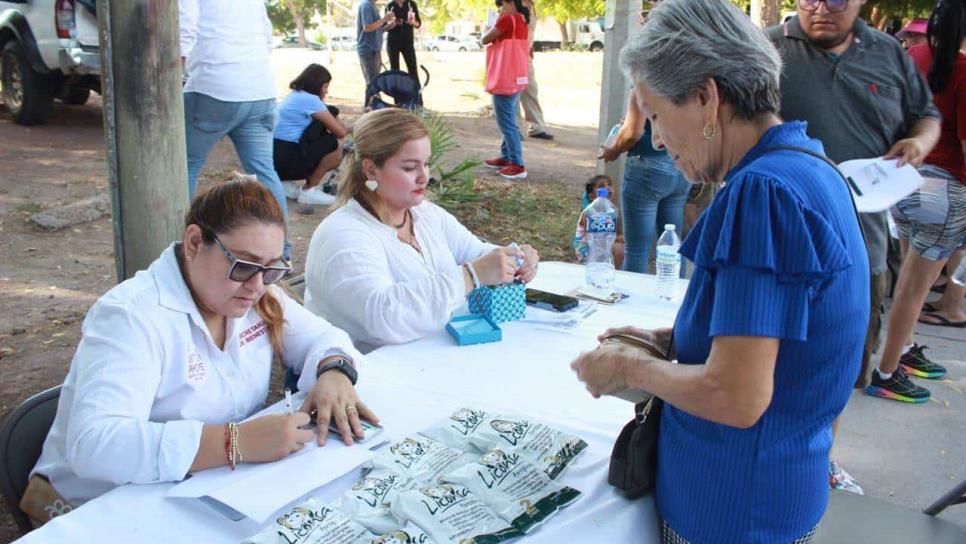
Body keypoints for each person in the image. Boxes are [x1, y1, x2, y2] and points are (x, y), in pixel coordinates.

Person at [571, 0, 868, 541]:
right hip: (772, 492)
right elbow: (786, 336)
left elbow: (735, 396)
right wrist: (673, 339)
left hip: (731, 508)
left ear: (707, 99)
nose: (656, 139)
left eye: (656, 114)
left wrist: (627, 369)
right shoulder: (808, 165)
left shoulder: (763, 193)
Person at [27, 176, 377, 513]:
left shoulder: (255, 293)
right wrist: (233, 443)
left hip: (200, 488)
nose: (257, 285)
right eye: (243, 265)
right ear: (194, 242)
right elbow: (96, 446)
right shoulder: (130, 317)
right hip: (102, 505)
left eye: (271, 269)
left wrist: (334, 371)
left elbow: (323, 337)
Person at [767, 0, 940, 492]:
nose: (821, 8)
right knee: (766, 351)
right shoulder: (766, 51)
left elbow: (926, 117)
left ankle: (819, 460)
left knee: (839, 359)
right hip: (780, 235)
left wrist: (919, 144)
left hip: (859, 240)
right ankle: (767, 458)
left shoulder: (888, 53)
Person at [303, 109, 540, 352]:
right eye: (409, 167)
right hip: (369, 376)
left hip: (434, 359)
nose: (424, 176)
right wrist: (470, 276)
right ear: (371, 169)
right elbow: (383, 317)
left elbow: (476, 253)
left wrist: (514, 258)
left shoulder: (424, 214)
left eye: (426, 164)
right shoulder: (344, 234)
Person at [869, 0, 966, 402]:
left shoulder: (910, 56)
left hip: (903, 183)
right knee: (915, 290)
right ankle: (887, 371)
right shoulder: (962, 69)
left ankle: (903, 351)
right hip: (944, 191)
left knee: (909, 283)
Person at [179, 0, 290, 259]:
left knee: (184, 165)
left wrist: (172, 70)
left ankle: (178, 244)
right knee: (264, 172)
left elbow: (184, 26)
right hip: (260, 88)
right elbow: (267, 35)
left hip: (213, 85)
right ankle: (281, 254)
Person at [600, 93, 690, 274]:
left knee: (636, 250)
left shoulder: (646, 82)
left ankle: (633, 300)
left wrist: (613, 150)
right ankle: (675, 297)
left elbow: (632, 134)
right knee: (673, 243)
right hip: (680, 166)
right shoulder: (690, 79)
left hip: (648, 166)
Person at [273, 64, 349, 207]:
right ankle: (309, 191)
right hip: (287, 158)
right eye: (326, 87)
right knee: (336, 145)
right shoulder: (311, 100)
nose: (327, 92)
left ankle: (284, 182)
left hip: (275, 157)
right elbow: (341, 132)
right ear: (319, 85)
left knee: (324, 126)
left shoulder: (295, 95)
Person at [482, 0, 531, 180]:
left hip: (503, 78)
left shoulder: (505, 21)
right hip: (516, 77)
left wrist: (493, 24)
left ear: (510, 3)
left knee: (507, 124)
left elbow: (485, 39)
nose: (500, 9)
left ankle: (517, 164)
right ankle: (506, 157)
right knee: (509, 118)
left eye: (501, 4)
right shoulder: (521, 21)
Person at [518, 0, 554, 141]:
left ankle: (536, 127)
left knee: (530, 90)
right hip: (515, 54)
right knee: (514, 91)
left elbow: (529, 32)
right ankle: (514, 129)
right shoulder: (515, 4)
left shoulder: (531, 6)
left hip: (525, 54)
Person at [574, 175, 625, 269]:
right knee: (619, 249)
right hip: (587, 248)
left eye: (609, 184)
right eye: (601, 186)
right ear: (592, 196)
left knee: (624, 244)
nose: (607, 188)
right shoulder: (588, 212)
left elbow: (614, 234)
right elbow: (592, 236)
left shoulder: (612, 211)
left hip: (604, 244)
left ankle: (612, 270)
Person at [357, 0, 395, 108]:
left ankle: (371, 108)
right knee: (372, 83)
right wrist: (385, 19)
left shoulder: (372, 6)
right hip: (368, 49)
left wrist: (387, 27)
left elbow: (375, 29)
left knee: (374, 82)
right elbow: (367, 27)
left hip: (375, 49)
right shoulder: (366, 5)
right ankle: (373, 110)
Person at [385, 0, 422, 79]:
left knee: (412, 69)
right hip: (393, 42)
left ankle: (416, 90)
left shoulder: (411, 4)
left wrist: (413, 22)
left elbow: (418, 24)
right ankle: (395, 90)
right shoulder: (389, 6)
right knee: (394, 70)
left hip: (407, 42)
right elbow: (385, 26)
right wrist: (393, 23)